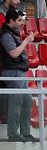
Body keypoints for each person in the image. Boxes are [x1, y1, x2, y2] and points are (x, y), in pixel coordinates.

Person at [0, 9, 38, 142]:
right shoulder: (5, 35)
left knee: (27, 101)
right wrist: (26, 41)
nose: (22, 23)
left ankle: (25, 132)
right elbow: (14, 53)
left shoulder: (14, 32)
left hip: (20, 71)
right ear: (11, 20)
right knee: (16, 102)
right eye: (19, 20)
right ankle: (13, 133)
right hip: (12, 71)